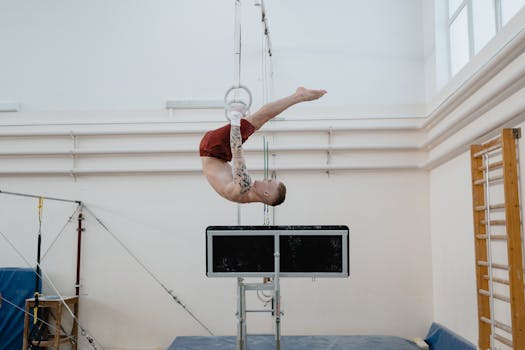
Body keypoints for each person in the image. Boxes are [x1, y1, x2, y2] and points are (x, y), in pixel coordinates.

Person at [200, 87, 327, 205]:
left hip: (213, 148)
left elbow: (237, 150)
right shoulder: (244, 195)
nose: (267, 179)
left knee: (260, 118)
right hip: (218, 153)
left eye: (269, 182)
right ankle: (298, 96)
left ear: (267, 193)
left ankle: (299, 96)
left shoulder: (243, 188)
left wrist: (235, 118)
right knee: (258, 120)